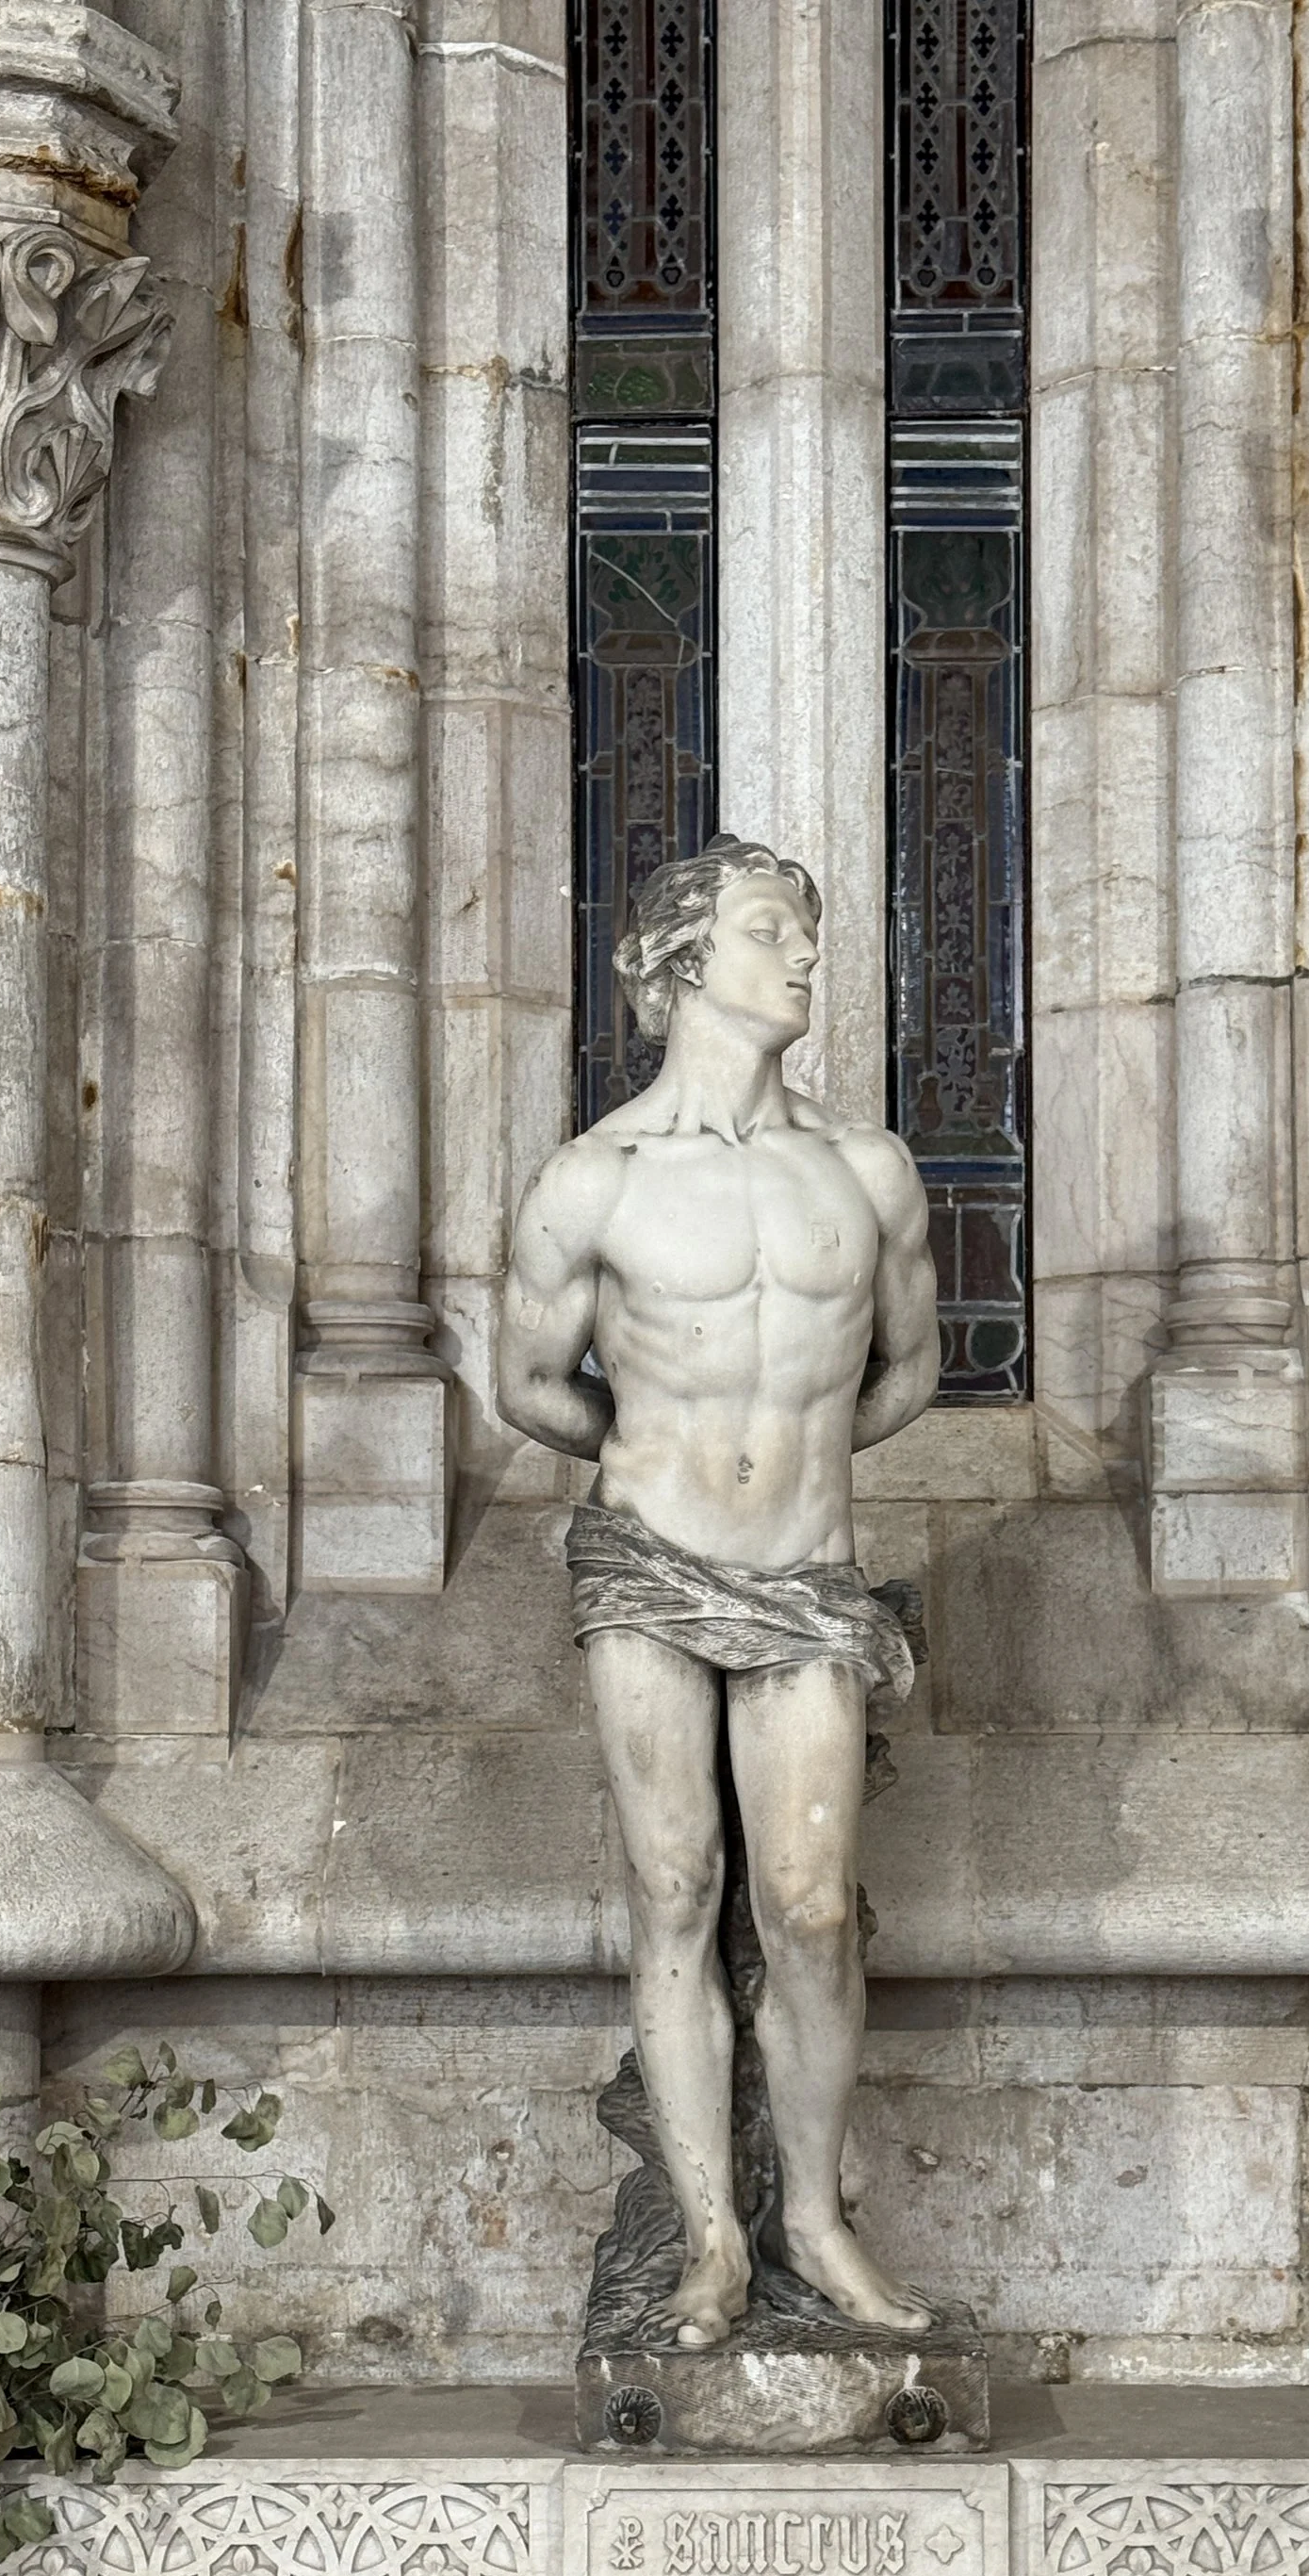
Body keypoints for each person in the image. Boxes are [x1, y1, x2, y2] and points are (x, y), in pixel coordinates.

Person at [497, 836, 942, 2350]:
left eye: (808, 935)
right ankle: (708, 2244)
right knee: (675, 1892)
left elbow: (913, 1370)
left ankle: (812, 2222)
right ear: (682, 963)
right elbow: (532, 1387)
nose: (806, 960)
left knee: (811, 1908)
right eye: (773, 933)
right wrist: (655, 1461)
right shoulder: (593, 1182)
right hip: (643, 1568)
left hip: (808, 1578)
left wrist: (798, 1464)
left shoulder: (865, 1170)